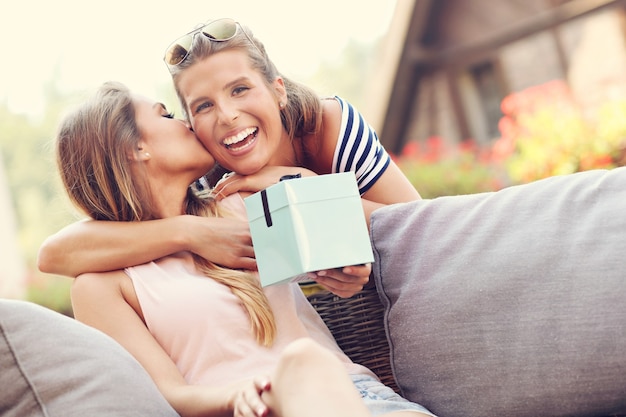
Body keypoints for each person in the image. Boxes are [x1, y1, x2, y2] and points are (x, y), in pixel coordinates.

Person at [55, 81, 435, 417]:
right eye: (165, 114)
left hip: (359, 396)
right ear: (135, 149)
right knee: (301, 361)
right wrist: (236, 395)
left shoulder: (243, 204)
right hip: (251, 409)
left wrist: (346, 262)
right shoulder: (101, 286)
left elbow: (397, 228)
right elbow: (170, 394)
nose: (186, 122)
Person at [37, 17, 420, 279]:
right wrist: (188, 231)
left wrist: (301, 189)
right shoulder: (206, 180)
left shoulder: (327, 125)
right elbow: (55, 253)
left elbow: (422, 227)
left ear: (277, 89)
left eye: (239, 89)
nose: (227, 115)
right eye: (202, 106)